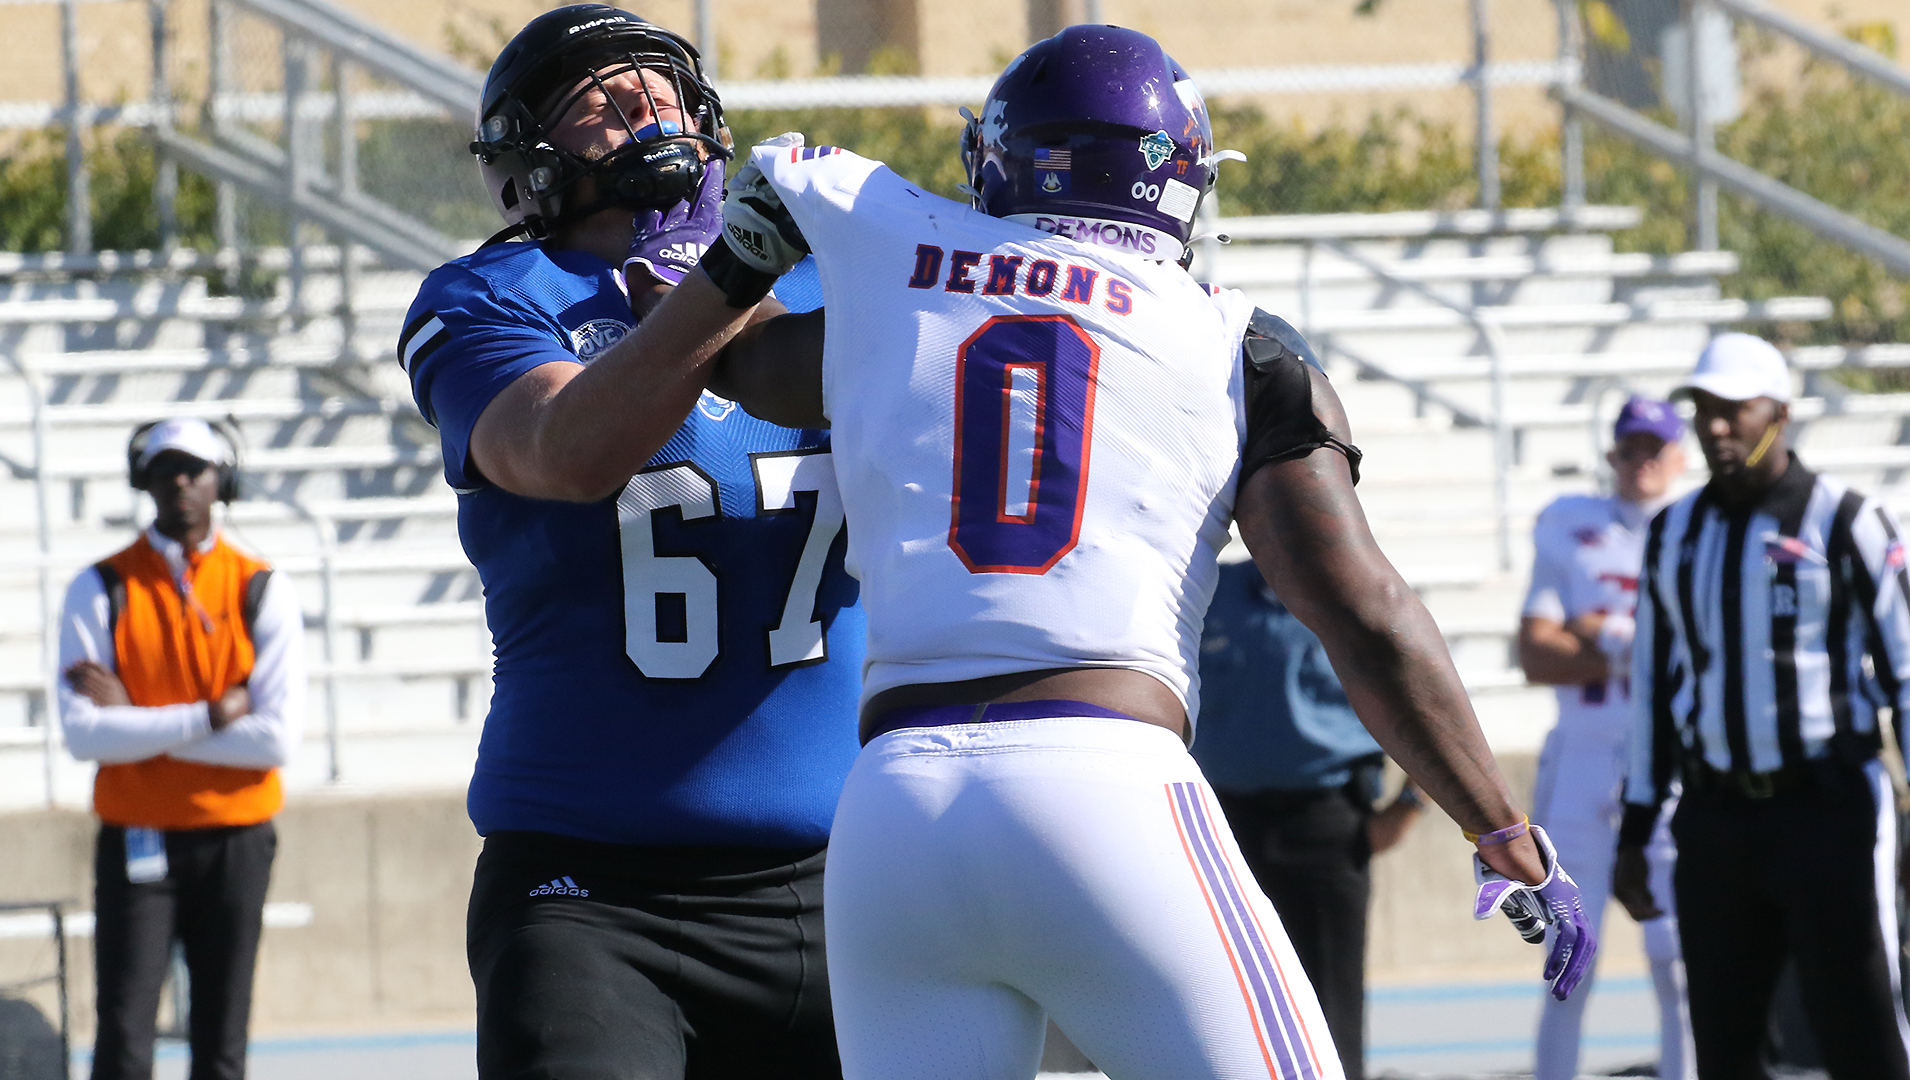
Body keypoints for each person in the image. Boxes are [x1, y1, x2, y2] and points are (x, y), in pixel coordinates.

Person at [625, 25, 1599, 1079]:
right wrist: (1502, 829)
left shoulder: (900, 271)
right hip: (1103, 788)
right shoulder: (1233, 338)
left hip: (893, 810)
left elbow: (730, 361)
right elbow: (1360, 610)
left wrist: (694, 263)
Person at [398, 8, 865, 1078]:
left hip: (846, 876)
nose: (640, 105)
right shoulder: (490, 297)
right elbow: (569, 452)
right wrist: (722, 280)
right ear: (525, 160)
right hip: (598, 899)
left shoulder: (821, 278)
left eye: (658, 88)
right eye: (594, 97)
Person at [1614, 332, 1910, 1080]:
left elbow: (1907, 672)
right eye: (1704, 409)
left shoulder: (1846, 520)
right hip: (1715, 819)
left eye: (1733, 409)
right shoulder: (1673, 533)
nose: (1716, 426)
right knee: (1726, 1044)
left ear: (1778, 413)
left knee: (1861, 1030)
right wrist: (1638, 825)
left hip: (1828, 809)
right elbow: (1653, 682)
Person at [58, 417, 305, 1080]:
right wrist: (209, 717)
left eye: (195, 468)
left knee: (222, 1034)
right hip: (138, 832)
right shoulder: (101, 587)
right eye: (167, 470)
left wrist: (136, 724)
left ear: (224, 478)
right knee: (124, 1032)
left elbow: (274, 739)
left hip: (237, 837)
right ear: (145, 480)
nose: (182, 484)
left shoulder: (261, 587)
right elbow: (85, 734)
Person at [1519, 396, 1695, 1080]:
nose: (1642, 462)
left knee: (1675, 961)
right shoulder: (1572, 524)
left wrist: (1610, 637)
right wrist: (1638, 655)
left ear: (1678, 458)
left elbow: (1701, 657)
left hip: (1671, 764)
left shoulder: (1698, 526)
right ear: (1612, 455)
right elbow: (1536, 654)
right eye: (1631, 448)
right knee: (1569, 957)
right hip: (1584, 757)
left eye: (1656, 448)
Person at [1193, 561, 1423, 1080]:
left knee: (1328, 1006)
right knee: (1221, 1002)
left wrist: (1408, 808)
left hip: (1326, 823)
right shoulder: (1206, 587)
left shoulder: (1364, 593)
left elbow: (1424, 700)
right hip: (1219, 822)